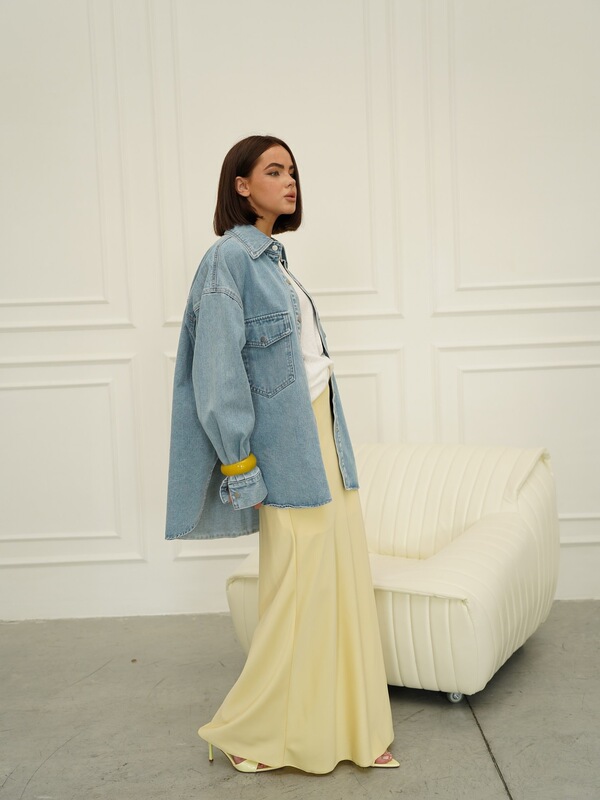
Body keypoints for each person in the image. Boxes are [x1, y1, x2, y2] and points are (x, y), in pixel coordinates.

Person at [164, 134, 398, 774]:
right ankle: (252, 731)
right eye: (274, 171)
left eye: (292, 170)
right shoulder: (228, 261)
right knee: (300, 588)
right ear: (242, 186)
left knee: (339, 580)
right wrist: (241, 467)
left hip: (324, 436)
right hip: (285, 448)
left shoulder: (275, 262)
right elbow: (217, 378)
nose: (290, 181)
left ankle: (352, 730)